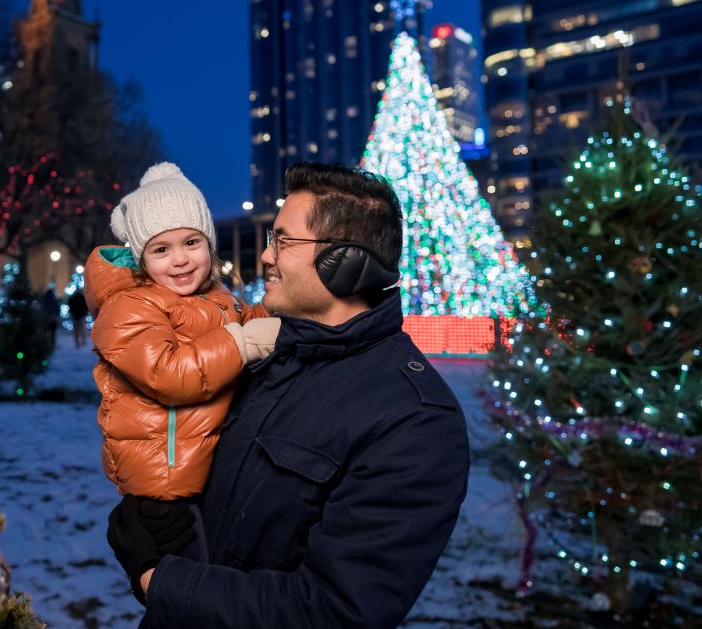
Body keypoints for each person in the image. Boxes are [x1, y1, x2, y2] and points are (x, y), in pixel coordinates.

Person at [106, 162, 471, 628]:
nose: (265, 257)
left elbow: (333, 613)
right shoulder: (263, 354)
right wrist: (160, 514)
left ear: (345, 261)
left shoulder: (414, 421)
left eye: (283, 241)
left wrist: (160, 581)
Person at [84, 163, 280, 592]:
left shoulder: (215, 298)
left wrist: (280, 314)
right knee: (191, 597)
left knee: (219, 585)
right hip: (163, 483)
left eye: (191, 242)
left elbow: (251, 318)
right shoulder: (128, 308)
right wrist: (242, 343)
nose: (180, 259)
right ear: (140, 256)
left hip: (202, 475)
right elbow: (169, 374)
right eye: (161, 249)